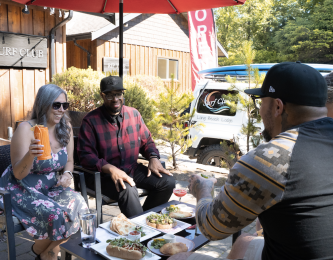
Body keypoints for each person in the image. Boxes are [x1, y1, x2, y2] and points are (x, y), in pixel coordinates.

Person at [188, 62, 333, 260]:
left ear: (277, 106)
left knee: (178, 258)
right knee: (244, 241)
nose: (259, 111)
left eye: (259, 101)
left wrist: (202, 189)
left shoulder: (273, 157)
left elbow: (211, 228)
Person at [0, 84, 88, 260]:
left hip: (50, 187)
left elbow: (70, 161)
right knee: (56, 215)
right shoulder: (26, 129)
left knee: (79, 205)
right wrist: (30, 154)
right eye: (56, 105)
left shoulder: (65, 127)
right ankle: (49, 254)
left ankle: (43, 253)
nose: (61, 110)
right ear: (44, 104)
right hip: (21, 187)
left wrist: (67, 174)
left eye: (65, 105)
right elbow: (19, 173)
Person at [77, 76, 175, 218]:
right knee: (127, 188)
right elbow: (86, 156)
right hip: (103, 177)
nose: (115, 98)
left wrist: (153, 157)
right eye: (109, 95)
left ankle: (144, 220)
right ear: (102, 96)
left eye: (118, 94)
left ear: (123, 94)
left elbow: (147, 141)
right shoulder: (91, 121)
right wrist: (110, 168)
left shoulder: (133, 114)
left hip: (131, 169)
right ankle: (141, 233)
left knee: (167, 181)